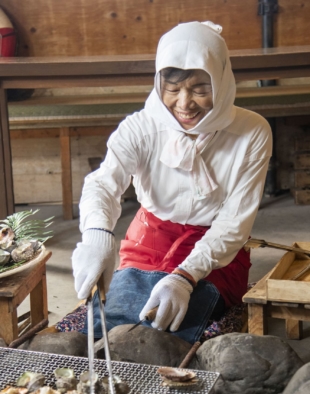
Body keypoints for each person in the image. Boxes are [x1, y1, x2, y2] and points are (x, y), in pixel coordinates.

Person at [72, 20, 272, 345]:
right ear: (157, 82)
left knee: (174, 330)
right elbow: (103, 183)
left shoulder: (252, 132)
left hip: (215, 249)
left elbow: (235, 221)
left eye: (199, 89)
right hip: (149, 240)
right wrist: (96, 237)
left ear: (221, 80)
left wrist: (184, 276)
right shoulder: (141, 127)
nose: (184, 103)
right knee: (115, 321)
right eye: (173, 88)